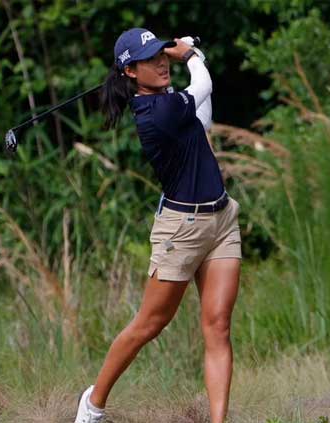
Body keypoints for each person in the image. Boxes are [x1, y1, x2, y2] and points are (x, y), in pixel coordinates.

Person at [73, 28, 242, 423]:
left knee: (218, 326)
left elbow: (205, 118)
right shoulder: (156, 113)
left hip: (221, 220)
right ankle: (93, 404)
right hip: (180, 231)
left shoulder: (171, 103)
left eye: (162, 54)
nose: (161, 63)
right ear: (130, 72)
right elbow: (204, 83)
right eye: (150, 60)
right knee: (151, 323)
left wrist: (179, 52)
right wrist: (191, 55)